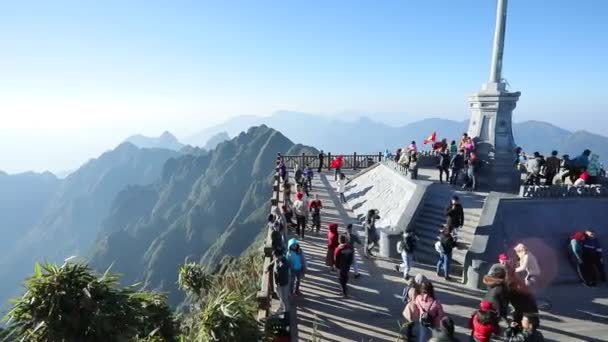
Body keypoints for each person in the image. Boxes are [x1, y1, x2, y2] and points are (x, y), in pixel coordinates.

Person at [514, 243, 550, 309]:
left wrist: (513, 270)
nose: (516, 253)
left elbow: (523, 268)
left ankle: (533, 303)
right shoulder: (528, 254)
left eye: (517, 251)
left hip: (533, 275)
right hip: (533, 274)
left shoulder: (526, 256)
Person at [271, 248, 291, 313]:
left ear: (280, 255)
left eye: (275, 256)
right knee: (280, 296)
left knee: (284, 298)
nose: (274, 257)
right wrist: (268, 267)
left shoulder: (284, 262)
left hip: (284, 283)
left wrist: (277, 265)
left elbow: (280, 270)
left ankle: (286, 311)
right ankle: (281, 307)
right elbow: (273, 264)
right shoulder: (276, 261)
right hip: (278, 283)